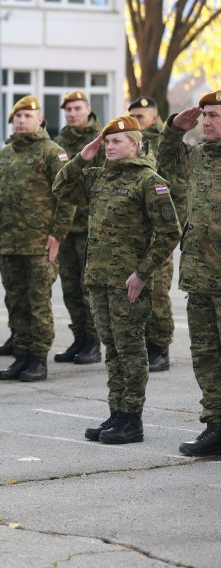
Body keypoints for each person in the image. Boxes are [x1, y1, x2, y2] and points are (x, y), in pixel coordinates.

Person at [54, 115, 180, 444]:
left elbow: (170, 233)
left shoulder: (149, 181)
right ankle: (116, 412)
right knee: (111, 349)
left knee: (131, 350)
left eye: (116, 142)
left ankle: (132, 419)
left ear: (135, 146)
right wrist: (83, 157)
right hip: (98, 278)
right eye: (107, 141)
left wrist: (142, 273)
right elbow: (61, 188)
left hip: (129, 282)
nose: (109, 146)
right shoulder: (98, 178)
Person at [158, 91, 221, 456]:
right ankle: (215, 426)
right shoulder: (199, 157)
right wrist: (173, 130)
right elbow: (162, 161)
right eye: (206, 115)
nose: (208, 121)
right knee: (206, 355)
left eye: (215, 115)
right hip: (199, 277)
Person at [0, 95, 73, 382]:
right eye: (17, 116)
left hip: (39, 243)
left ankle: (38, 359)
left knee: (38, 303)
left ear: (40, 120)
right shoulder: (5, 154)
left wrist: (57, 234)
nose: (21, 120)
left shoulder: (52, 152)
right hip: (10, 242)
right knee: (15, 302)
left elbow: (68, 197)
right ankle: (22, 354)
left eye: (28, 115)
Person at [128, 96, 179, 372]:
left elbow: (179, 191)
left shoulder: (164, 144)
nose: (135, 120)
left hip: (160, 232)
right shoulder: (132, 145)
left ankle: (160, 348)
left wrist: (173, 233)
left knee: (157, 292)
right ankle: (145, 346)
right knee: (138, 293)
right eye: (132, 115)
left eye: (140, 116)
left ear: (153, 116)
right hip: (136, 233)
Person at [52, 91, 103, 365]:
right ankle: (79, 338)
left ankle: (93, 342)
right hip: (66, 229)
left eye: (77, 108)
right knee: (70, 288)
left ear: (88, 109)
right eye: (68, 109)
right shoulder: (59, 142)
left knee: (87, 289)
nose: (72, 113)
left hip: (90, 227)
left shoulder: (101, 141)